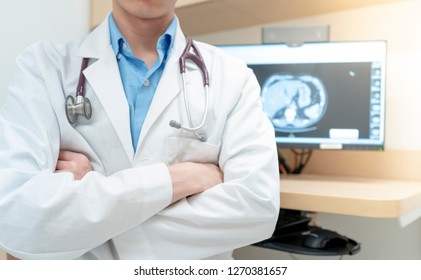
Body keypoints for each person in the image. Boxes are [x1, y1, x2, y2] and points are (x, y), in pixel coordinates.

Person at [0, 0, 280, 260]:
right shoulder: (44, 67)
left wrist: (93, 205)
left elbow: (257, 208)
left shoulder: (233, 77)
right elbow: (18, 217)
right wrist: (177, 180)